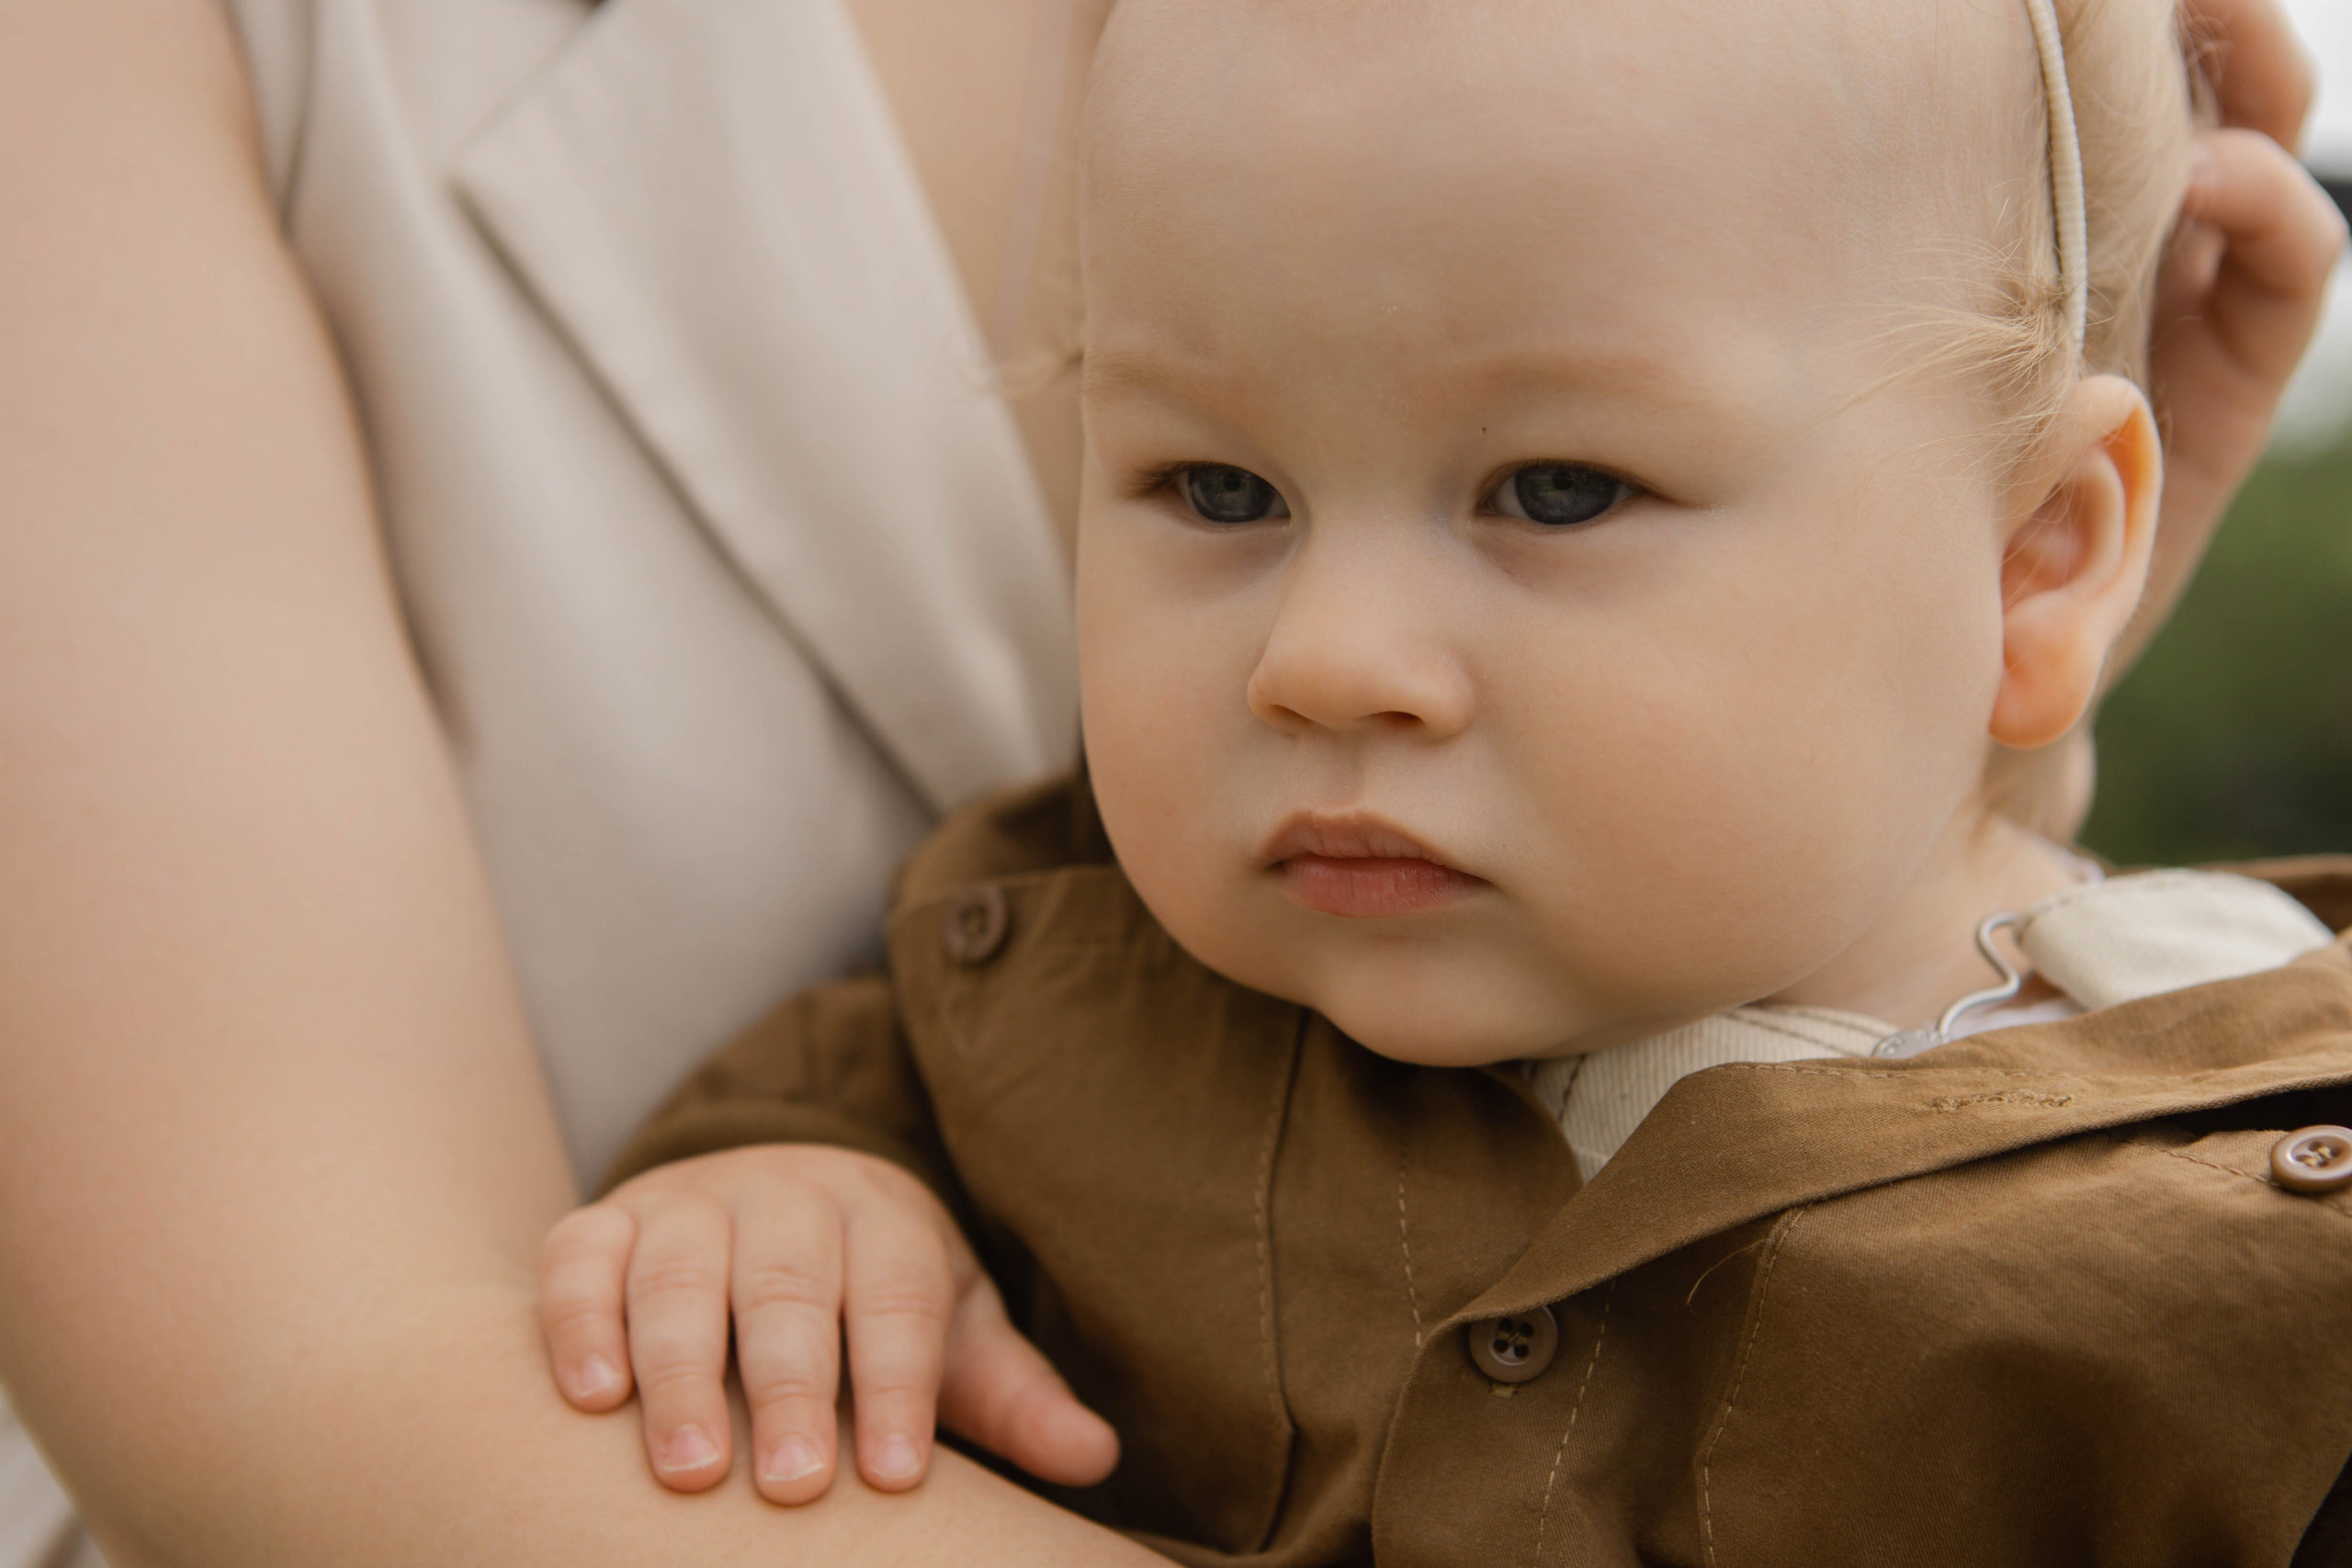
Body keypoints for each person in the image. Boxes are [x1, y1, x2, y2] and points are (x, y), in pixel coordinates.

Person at [0, 0, 2335, 1565]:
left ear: (2042, 544)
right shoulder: (1019, 997)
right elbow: (344, 1358)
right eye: (1211, 492)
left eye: (1548, 492)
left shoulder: (2237, 1194)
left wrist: (1993, 710)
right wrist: (778, 1213)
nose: (1323, 659)